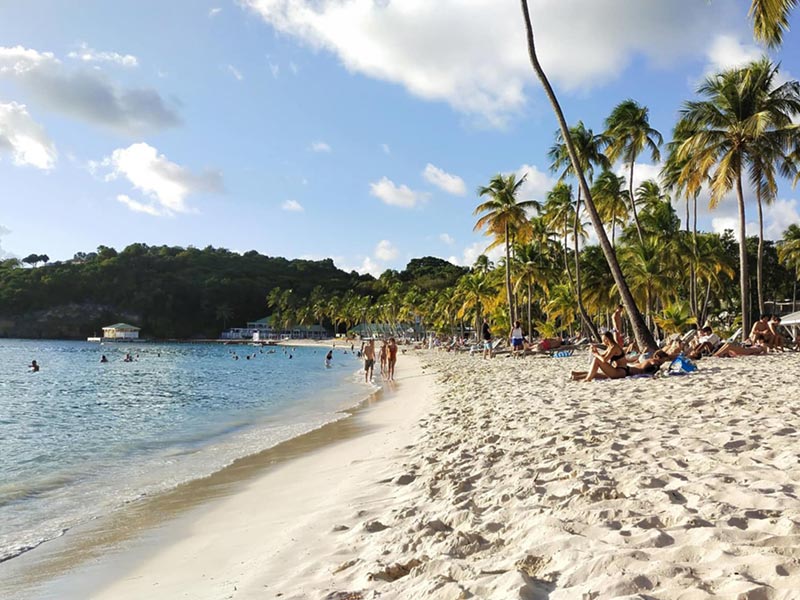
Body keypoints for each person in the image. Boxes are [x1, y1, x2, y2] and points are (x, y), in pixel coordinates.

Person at [571, 350, 669, 381]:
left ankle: (576, 375)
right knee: (603, 376)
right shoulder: (654, 361)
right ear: (659, 357)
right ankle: (578, 376)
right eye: (664, 360)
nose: (664, 362)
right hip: (627, 371)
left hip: (628, 369)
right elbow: (654, 366)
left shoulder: (649, 360)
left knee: (602, 375)